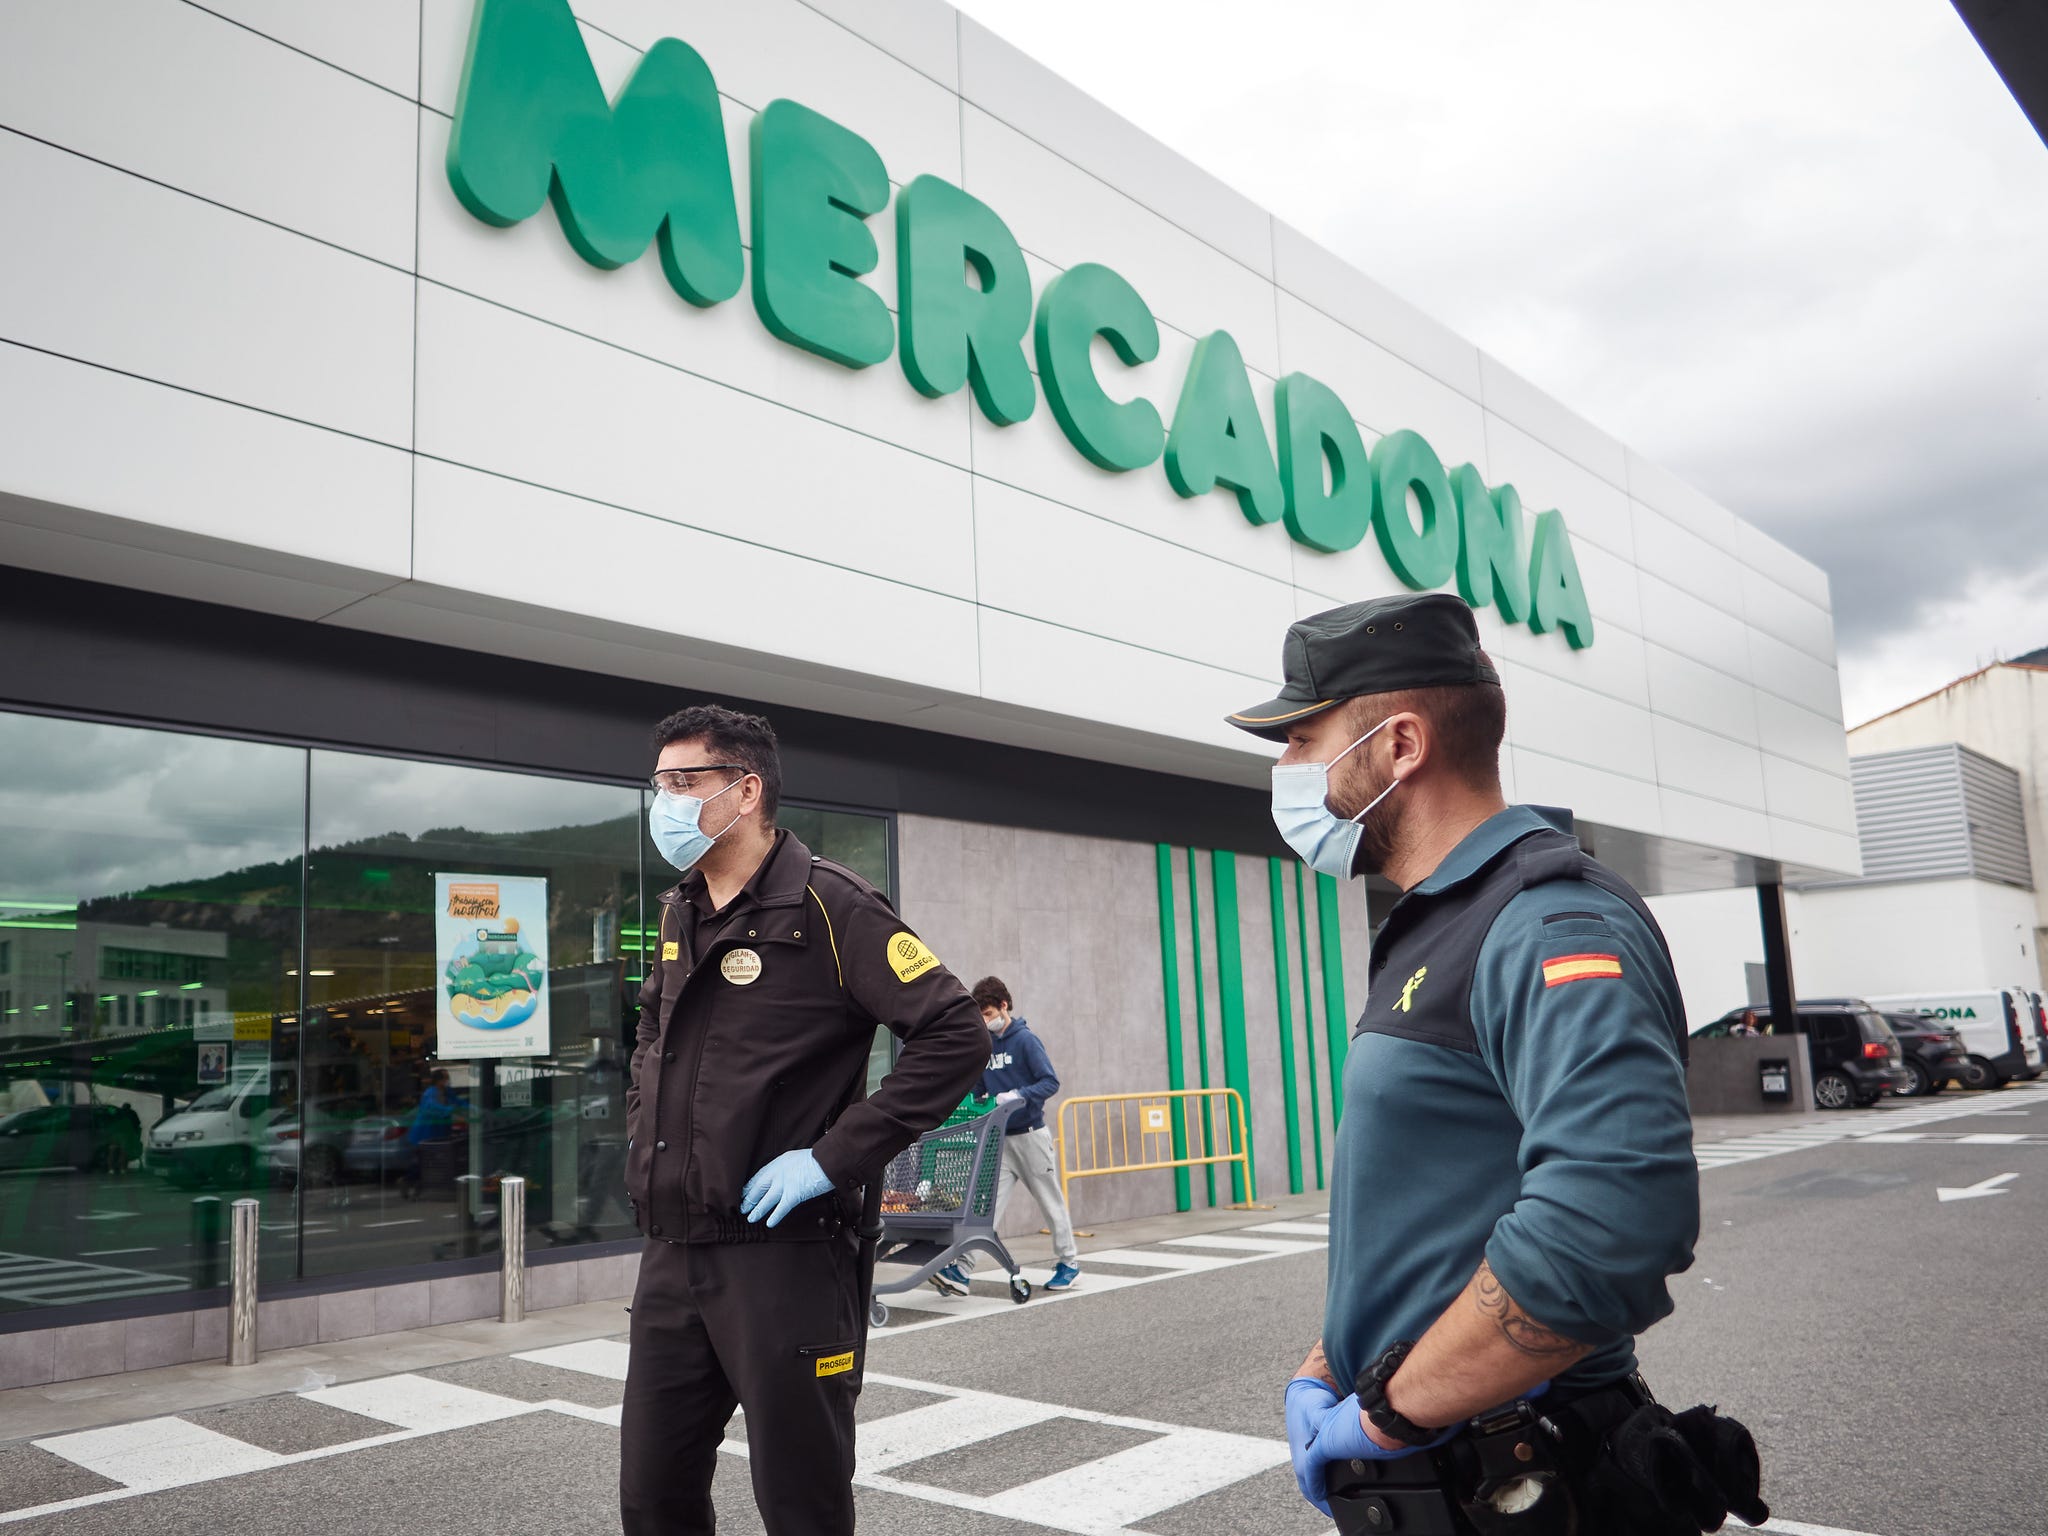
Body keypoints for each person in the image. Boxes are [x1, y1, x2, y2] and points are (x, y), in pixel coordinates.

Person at [1231, 594, 1768, 1535]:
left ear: (1401, 745)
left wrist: (1391, 1412)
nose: (1286, 769)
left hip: (1522, 1479)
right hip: (1444, 1478)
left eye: (1302, 737)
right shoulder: (1443, 922)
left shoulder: (1546, 922)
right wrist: (1330, 1368)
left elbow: (1610, 1222)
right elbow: (1437, 1208)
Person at [619, 704, 986, 1536]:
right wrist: (643, 1129)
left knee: (803, 1501)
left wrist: (830, 1161)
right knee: (653, 1496)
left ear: (744, 791)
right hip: (674, 1251)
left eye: (684, 782)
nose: (664, 801)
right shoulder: (682, 910)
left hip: (786, 1255)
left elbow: (953, 1034)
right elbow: (651, 1028)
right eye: (659, 784)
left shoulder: (832, 905)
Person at [931, 977, 1082, 1296]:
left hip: (1030, 1137)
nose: (984, 1021)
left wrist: (1018, 1095)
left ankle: (1069, 1262)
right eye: (980, 1016)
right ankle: (961, 1270)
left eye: (987, 1013)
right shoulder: (984, 1046)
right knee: (984, 1209)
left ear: (1003, 1006)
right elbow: (980, 1087)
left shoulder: (1025, 1040)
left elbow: (1050, 1082)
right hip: (999, 1140)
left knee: (1049, 1201)